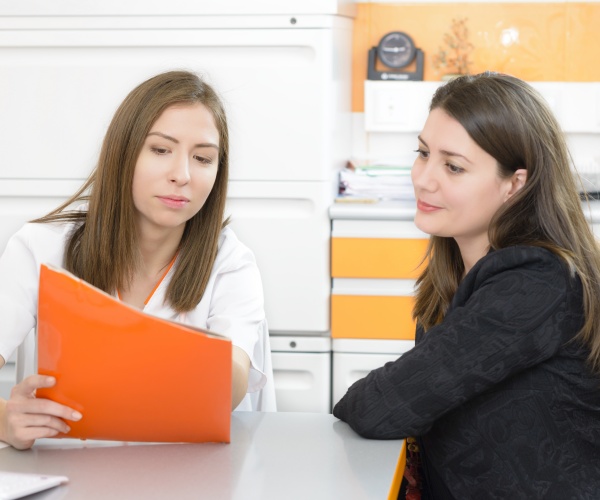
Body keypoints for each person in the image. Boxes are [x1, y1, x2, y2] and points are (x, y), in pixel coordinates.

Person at [333, 72, 600, 498]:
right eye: (423, 153)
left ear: (516, 183)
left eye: (453, 166)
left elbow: (377, 407)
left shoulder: (534, 284)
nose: (423, 178)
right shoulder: (463, 273)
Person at [0, 70, 276, 450]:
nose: (182, 175)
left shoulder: (229, 262)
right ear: (122, 152)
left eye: (203, 158)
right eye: (161, 150)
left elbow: (228, 385)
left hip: (184, 476)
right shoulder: (39, 248)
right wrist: (3, 420)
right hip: (66, 472)